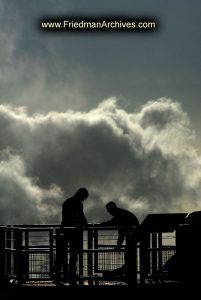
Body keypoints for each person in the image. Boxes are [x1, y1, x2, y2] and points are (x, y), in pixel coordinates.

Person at [52, 188, 88, 286]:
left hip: (66, 231)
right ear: (80, 195)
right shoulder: (76, 204)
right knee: (71, 254)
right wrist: (84, 225)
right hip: (71, 232)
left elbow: (79, 216)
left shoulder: (68, 202)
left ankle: (60, 276)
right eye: (84, 197)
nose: (83, 200)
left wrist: (83, 223)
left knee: (63, 254)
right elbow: (79, 216)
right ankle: (68, 275)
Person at [101, 201, 139, 282]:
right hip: (134, 236)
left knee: (129, 256)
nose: (109, 212)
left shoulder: (120, 215)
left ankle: (124, 273)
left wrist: (118, 245)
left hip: (133, 236)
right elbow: (115, 224)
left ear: (112, 209)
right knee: (129, 256)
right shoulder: (121, 213)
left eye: (109, 210)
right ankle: (125, 272)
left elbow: (121, 232)